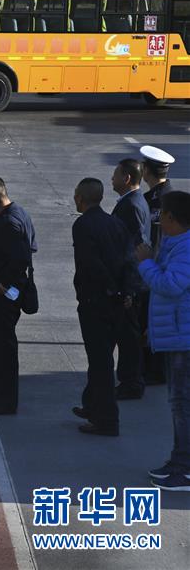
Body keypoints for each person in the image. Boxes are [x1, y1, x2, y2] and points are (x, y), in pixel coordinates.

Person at [71, 178, 138, 437]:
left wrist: (110, 289)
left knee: (99, 363)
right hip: (116, 303)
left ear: (81, 198)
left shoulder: (83, 225)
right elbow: (129, 260)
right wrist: (125, 291)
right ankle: (93, 405)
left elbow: (90, 265)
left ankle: (106, 420)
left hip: (96, 303)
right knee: (101, 359)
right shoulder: (116, 224)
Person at [136, 191, 190, 491]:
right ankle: (179, 460)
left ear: (172, 217)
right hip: (176, 336)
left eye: (163, 215)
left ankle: (185, 468)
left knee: (183, 404)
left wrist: (145, 264)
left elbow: (170, 285)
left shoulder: (185, 248)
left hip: (184, 340)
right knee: (179, 403)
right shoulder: (175, 244)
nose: (159, 220)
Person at [0, 176, 37, 415]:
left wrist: (4, 283)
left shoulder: (8, 222)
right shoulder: (19, 213)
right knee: (1, 346)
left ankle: (4, 401)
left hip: (5, 295)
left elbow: (21, 256)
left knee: (3, 348)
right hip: (7, 291)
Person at [111, 158, 151, 400]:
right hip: (131, 283)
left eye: (115, 174)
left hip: (131, 284)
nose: (112, 179)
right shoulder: (133, 202)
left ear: (126, 178)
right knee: (126, 336)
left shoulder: (132, 206)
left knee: (128, 337)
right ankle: (129, 380)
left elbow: (133, 250)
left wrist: (128, 289)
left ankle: (131, 383)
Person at [140, 145, 175, 385]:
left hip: (156, 267)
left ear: (146, 171)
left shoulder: (160, 201)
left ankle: (155, 370)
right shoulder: (163, 196)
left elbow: (159, 239)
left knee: (151, 318)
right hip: (156, 266)